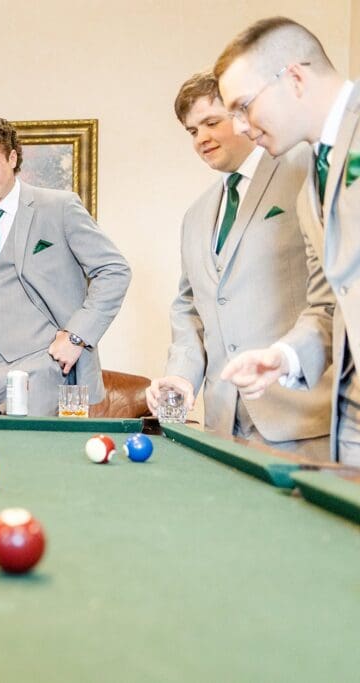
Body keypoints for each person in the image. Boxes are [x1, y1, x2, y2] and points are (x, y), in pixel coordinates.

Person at [147, 71, 332, 458]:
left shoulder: (305, 169)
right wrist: (181, 375)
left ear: (243, 115)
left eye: (212, 122)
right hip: (223, 423)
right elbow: (189, 308)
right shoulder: (196, 215)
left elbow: (334, 290)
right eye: (192, 131)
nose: (201, 139)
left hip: (302, 420)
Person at [214, 17, 357, 463]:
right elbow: (328, 304)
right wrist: (285, 357)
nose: (238, 126)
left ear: (294, 78)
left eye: (243, 105)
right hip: (350, 416)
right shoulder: (308, 185)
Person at [0, 115, 130, 415]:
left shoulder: (60, 207)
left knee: (35, 461)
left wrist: (77, 336)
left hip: (44, 370)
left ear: (12, 158)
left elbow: (114, 271)